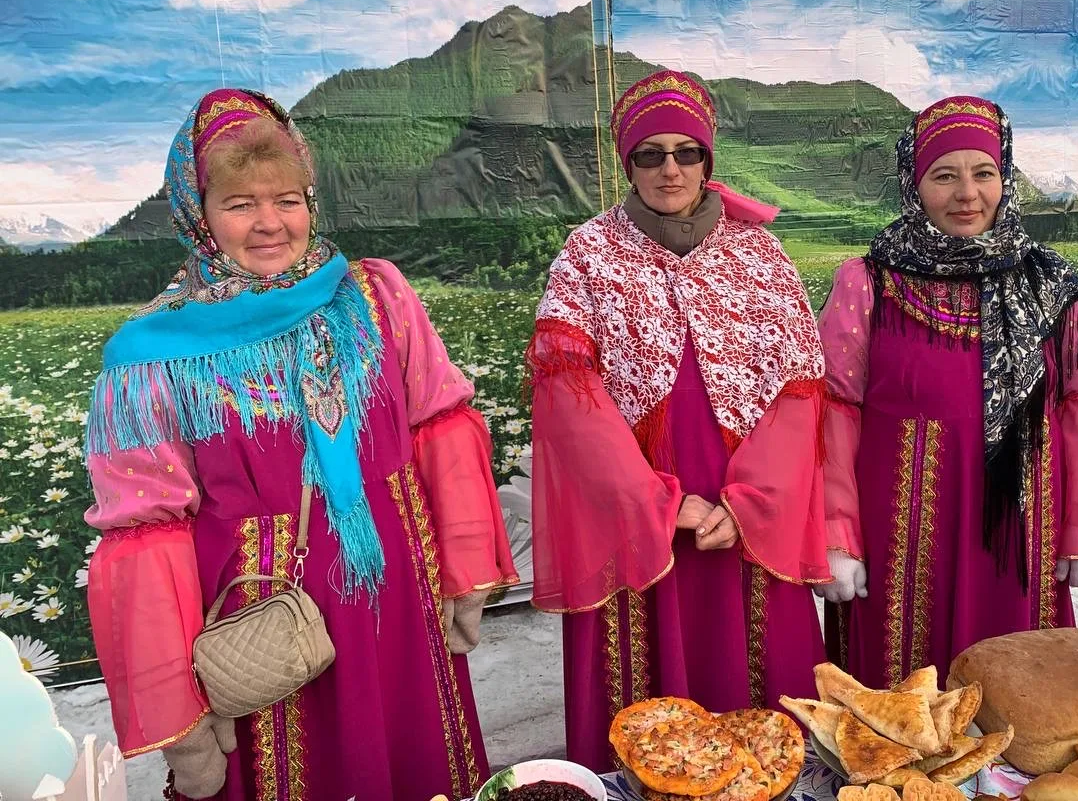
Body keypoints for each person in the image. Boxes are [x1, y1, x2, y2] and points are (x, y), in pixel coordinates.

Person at [83, 89, 517, 800]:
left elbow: (441, 424)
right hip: (261, 620)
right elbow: (146, 532)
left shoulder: (376, 296)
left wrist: (464, 565)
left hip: (400, 590)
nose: (269, 223)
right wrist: (176, 709)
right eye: (239, 204)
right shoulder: (151, 356)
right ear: (197, 214)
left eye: (286, 199)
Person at [527, 70, 857, 772]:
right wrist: (655, 503)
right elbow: (567, 393)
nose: (670, 169)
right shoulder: (588, 254)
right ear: (628, 165)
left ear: (708, 160)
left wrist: (752, 503)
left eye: (687, 152)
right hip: (636, 504)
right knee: (647, 700)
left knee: (759, 706)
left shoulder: (759, 255)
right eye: (650, 154)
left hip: (745, 506)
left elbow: (800, 390)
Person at [817, 95, 1078, 687]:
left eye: (983, 173)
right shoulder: (869, 282)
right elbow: (834, 410)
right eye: (943, 176)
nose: (967, 194)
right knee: (901, 706)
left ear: (1005, 177)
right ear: (913, 184)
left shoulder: (1051, 284)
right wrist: (837, 534)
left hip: (1021, 532)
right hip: (902, 537)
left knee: (1019, 691)